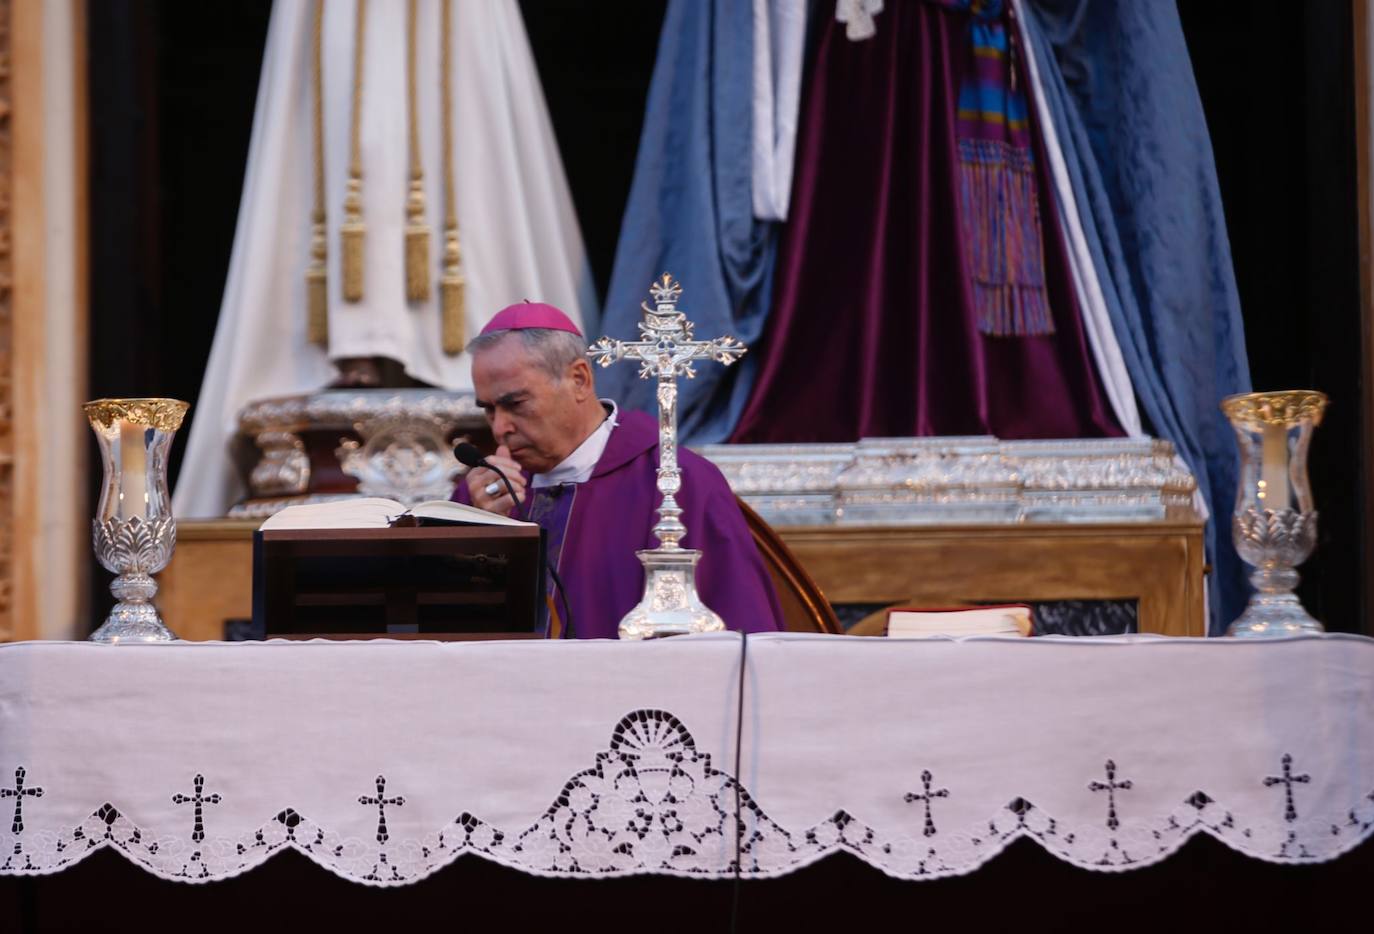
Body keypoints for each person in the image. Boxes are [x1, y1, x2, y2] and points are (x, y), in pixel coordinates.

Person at [454, 301, 784, 637]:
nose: (499, 429)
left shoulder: (679, 482)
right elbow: (440, 632)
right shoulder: (482, 492)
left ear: (579, 380)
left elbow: (741, 635)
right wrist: (478, 531)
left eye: (515, 404)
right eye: (489, 410)